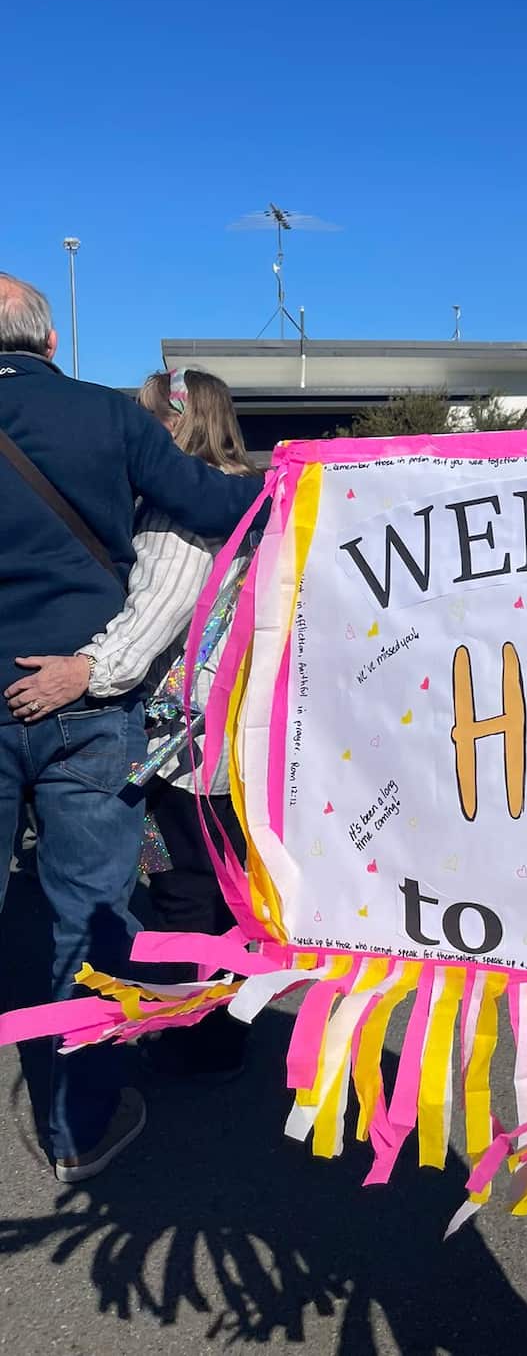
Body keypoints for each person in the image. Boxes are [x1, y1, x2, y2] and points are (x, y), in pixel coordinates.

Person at [0, 276, 262, 1182]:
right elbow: (233, 511)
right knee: (91, 914)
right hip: (86, 701)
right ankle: (78, 1124)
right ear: (51, 336)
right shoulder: (104, 418)